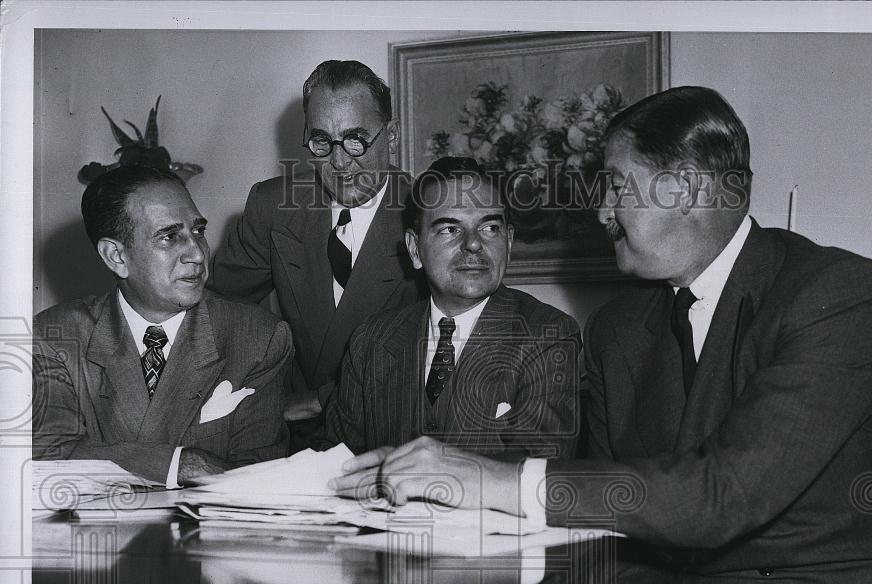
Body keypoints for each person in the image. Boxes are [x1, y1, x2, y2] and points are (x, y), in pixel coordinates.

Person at [335, 87, 872, 584]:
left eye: (614, 187)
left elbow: (723, 493)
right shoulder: (617, 331)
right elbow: (617, 538)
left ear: (684, 190)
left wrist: (491, 478)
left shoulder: (837, 294)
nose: (600, 211)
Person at [33, 165, 292, 485]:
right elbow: (47, 456)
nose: (197, 254)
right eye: (169, 236)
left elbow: (259, 480)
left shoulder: (258, 337)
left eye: (198, 230)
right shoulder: (54, 338)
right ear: (116, 256)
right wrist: (182, 464)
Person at [207, 60, 423, 445]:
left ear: (391, 137)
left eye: (356, 139)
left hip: (393, 435)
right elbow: (216, 314)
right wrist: (262, 393)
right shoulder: (272, 205)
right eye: (322, 141)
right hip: (289, 440)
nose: (339, 163)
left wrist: (318, 401)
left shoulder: (428, 214)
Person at [323, 156, 579, 460]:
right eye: (449, 229)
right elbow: (336, 467)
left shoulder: (548, 335)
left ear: (509, 243)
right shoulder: (371, 341)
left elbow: (538, 477)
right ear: (415, 249)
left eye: (490, 228)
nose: (473, 244)